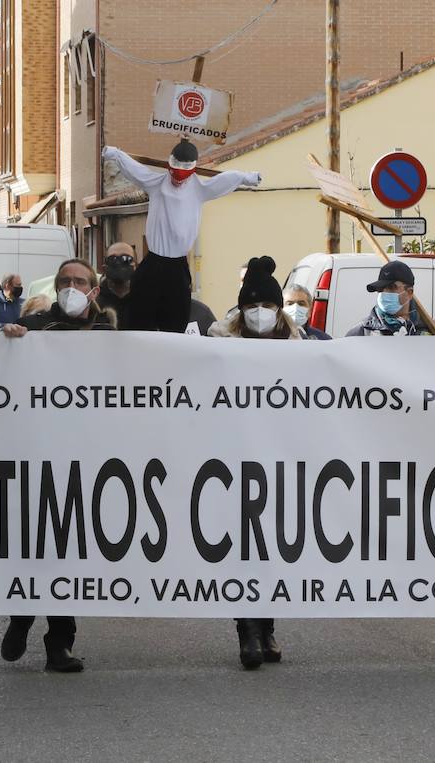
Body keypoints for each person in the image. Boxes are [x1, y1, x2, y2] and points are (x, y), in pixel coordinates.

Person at [0, 259, 116, 673]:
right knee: (35, 548)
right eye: (64, 280)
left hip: (86, 457)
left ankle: (59, 644)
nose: (70, 286)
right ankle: (21, 617)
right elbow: (0, 367)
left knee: (69, 554)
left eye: (78, 281)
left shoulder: (109, 333)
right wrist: (9, 337)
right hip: (36, 453)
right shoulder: (35, 327)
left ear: (93, 290)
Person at [206, 257, 293, 668]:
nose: (260, 314)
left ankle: (267, 627)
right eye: (252, 306)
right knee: (243, 549)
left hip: (281, 462)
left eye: (268, 306)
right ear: (240, 311)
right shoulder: (215, 345)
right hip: (231, 463)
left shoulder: (303, 347)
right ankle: (247, 630)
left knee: (271, 549)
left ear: (279, 311)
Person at [103, 140, 261, 332]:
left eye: (184, 170)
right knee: (141, 319)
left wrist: (247, 178)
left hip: (177, 266)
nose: (178, 176)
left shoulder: (199, 190)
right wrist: (115, 154)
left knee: (175, 321)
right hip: (153, 262)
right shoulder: (156, 184)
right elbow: (136, 170)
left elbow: (226, 179)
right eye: (175, 168)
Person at [344, 260, 435, 336]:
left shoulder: (433, 331)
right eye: (381, 289)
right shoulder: (361, 333)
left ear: (409, 293)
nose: (384, 293)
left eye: (391, 287)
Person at [96, 243, 137, 325]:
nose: (118, 263)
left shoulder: (149, 300)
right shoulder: (94, 302)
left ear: (135, 265)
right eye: (112, 259)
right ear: (104, 267)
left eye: (126, 259)